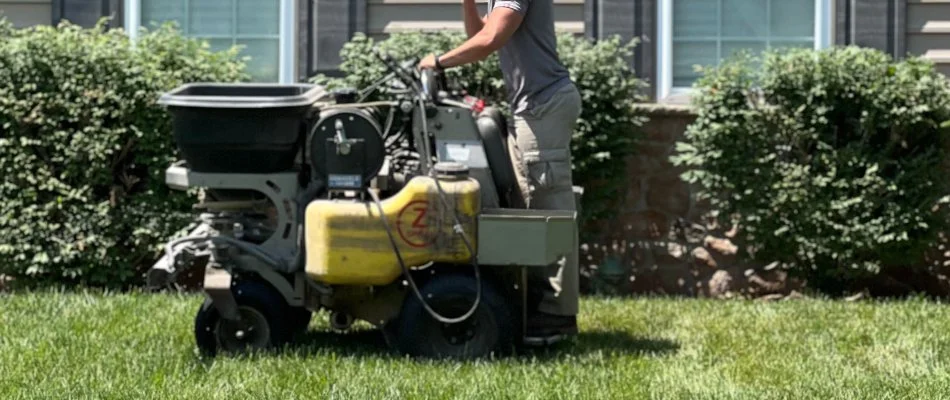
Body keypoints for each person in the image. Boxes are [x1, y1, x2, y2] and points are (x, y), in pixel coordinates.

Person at [418, 0, 582, 338]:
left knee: (549, 210)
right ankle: (536, 306)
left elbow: (491, 39)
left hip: (544, 106)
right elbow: (481, 33)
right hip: (532, 108)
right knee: (528, 204)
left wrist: (438, 61)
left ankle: (557, 316)